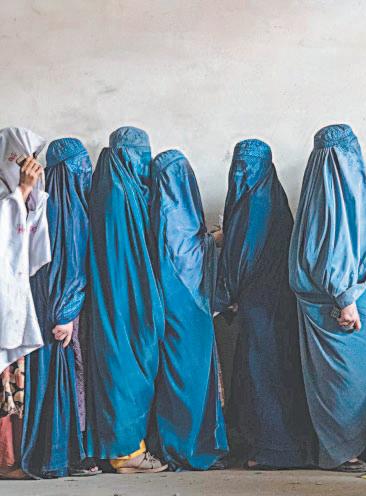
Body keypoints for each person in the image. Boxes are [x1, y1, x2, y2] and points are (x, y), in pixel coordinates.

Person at [215, 139, 315, 469]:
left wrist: (222, 298)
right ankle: (274, 445)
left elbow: (241, 258)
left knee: (262, 375)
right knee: (274, 372)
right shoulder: (273, 197)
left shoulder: (253, 203)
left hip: (259, 305)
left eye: (247, 166)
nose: (241, 173)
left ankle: (274, 449)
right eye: (238, 166)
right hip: (276, 302)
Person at [289, 124, 366, 472]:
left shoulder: (319, 188)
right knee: (342, 383)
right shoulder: (334, 193)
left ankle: (345, 449)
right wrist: (345, 298)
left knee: (338, 382)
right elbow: (332, 250)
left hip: (341, 298)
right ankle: (342, 453)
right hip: (340, 304)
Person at [85, 127, 167, 473]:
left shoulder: (120, 189)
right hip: (122, 302)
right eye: (140, 156)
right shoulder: (117, 195)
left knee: (128, 369)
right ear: (124, 155)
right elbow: (124, 260)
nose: (145, 165)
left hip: (123, 300)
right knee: (124, 370)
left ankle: (127, 447)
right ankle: (127, 453)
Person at [22, 138, 100, 478]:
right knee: (69, 380)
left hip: (41, 310)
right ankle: (67, 454)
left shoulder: (41, 204)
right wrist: (67, 313)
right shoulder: (71, 210)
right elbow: (71, 264)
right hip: (62, 314)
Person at [148, 149, 228, 469]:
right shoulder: (173, 213)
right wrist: (217, 238)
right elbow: (185, 258)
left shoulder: (156, 208)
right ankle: (186, 448)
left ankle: (193, 443)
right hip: (187, 308)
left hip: (179, 309)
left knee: (184, 380)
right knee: (189, 382)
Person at [0, 127, 50, 479]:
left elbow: (33, 253)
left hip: (12, 304)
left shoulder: (18, 196)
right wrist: (22, 192)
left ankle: (8, 458)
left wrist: (31, 195)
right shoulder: (8, 197)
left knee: (10, 385)